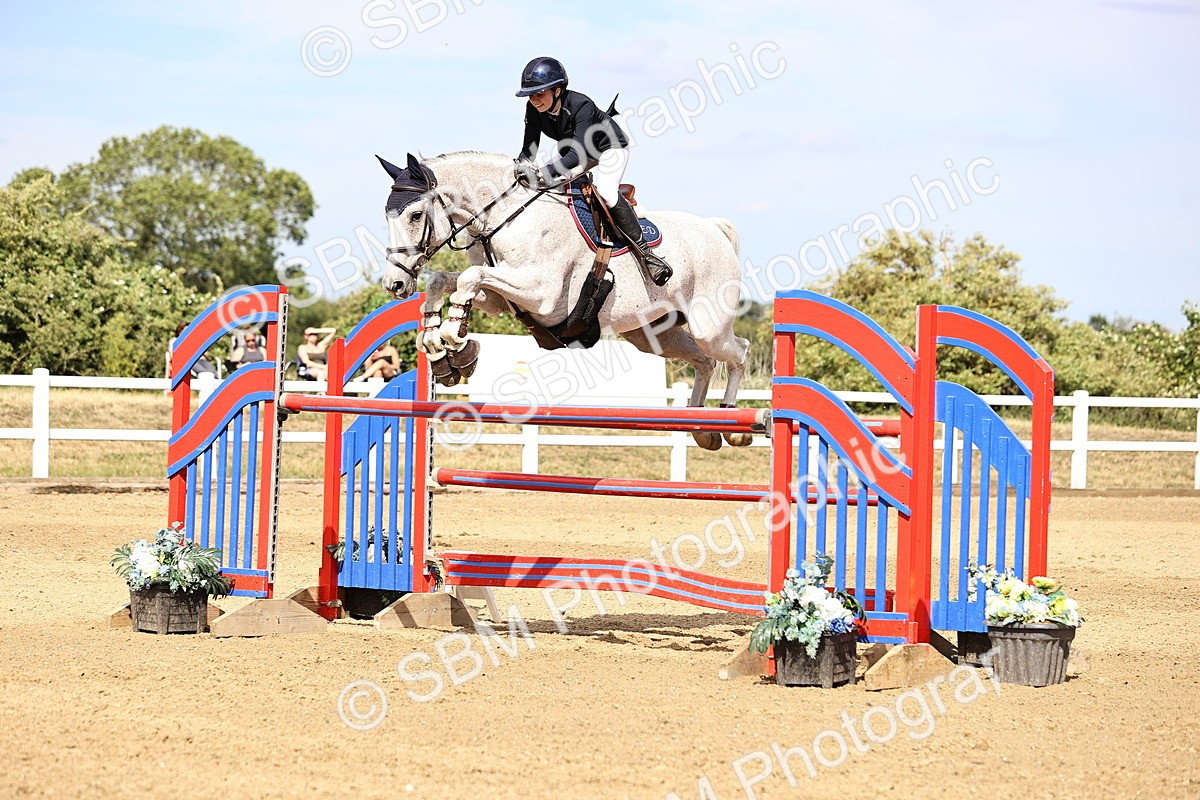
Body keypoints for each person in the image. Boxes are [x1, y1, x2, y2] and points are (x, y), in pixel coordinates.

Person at [514, 56, 672, 287]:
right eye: (531, 95)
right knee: (553, 189)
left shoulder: (581, 105)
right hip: (578, 151)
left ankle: (647, 254)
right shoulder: (533, 109)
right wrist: (522, 166)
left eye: (540, 94)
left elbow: (575, 157)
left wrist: (543, 172)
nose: (535, 100)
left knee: (607, 192)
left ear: (557, 91)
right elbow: (530, 147)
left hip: (609, 147)